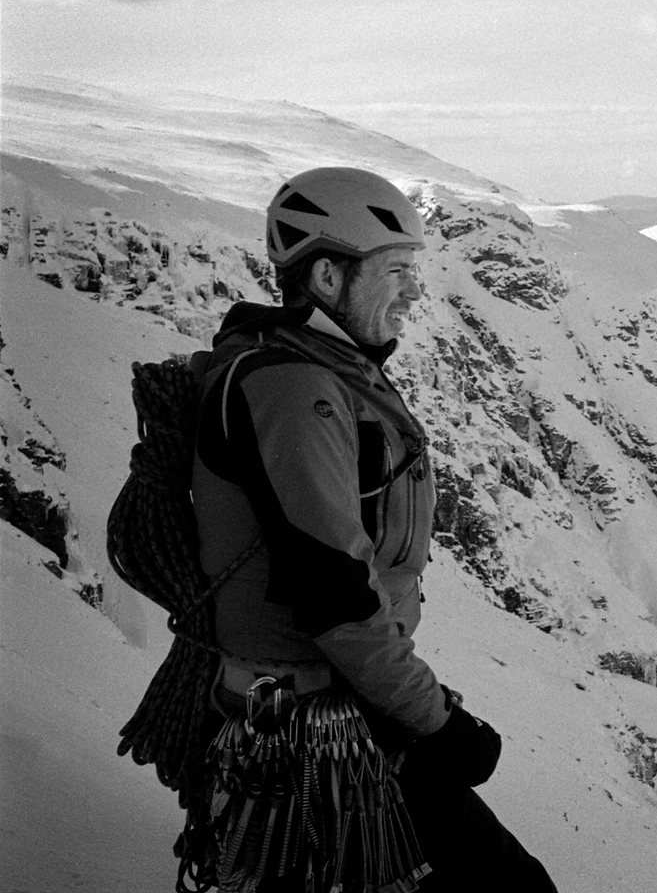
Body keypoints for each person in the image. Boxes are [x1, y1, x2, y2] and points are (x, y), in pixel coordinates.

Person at [190, 165, 557, 890]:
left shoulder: (324, 369)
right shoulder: (296, 389)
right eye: (396, 270)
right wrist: (438, 722)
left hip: (334, 704)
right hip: (315, 724)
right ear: (328, 277)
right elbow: (333, 591)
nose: (415, 291)